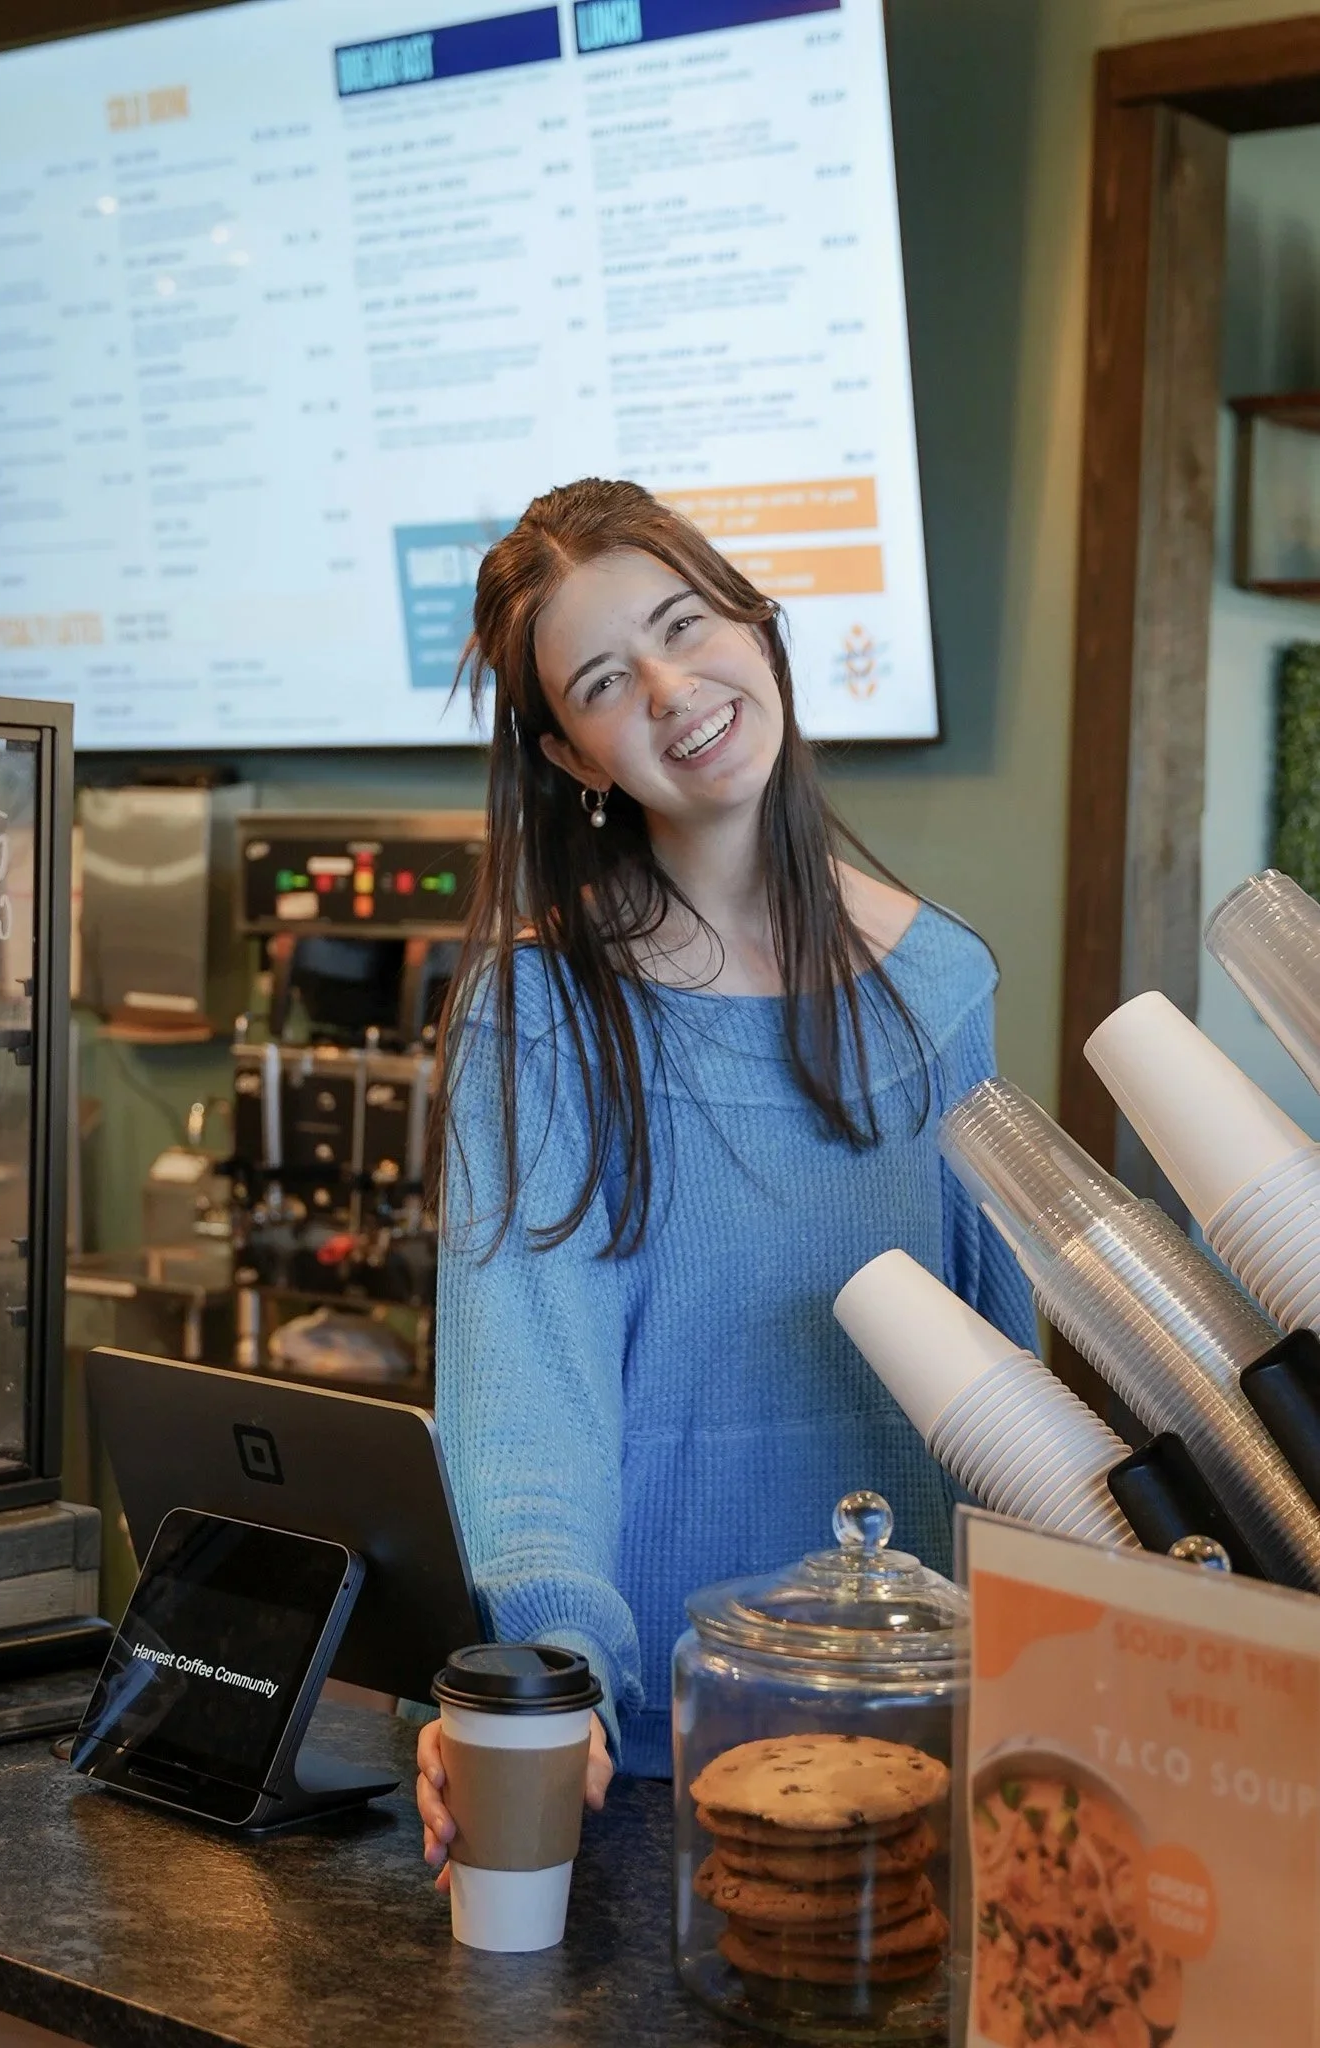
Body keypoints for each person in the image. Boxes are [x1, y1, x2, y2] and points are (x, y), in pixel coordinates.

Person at [416, 477, 1036, 1881]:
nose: (672, 689)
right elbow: (527, 1398)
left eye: (684, 624)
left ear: (755, 623)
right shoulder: (543, 1012)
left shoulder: (943, 988)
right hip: (638, 1773)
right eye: (601, 681)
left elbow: (1003, 1399)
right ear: (573, 755)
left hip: (907, 1755)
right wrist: (551, 1671)